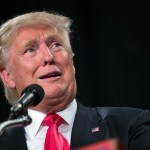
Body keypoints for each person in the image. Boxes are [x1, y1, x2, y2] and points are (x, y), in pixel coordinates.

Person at [0, 11, 150, 150]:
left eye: (56, 45)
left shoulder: (130, 125)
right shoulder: (3, 140)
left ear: (72, 63)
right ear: (8, 77)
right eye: (30, 50)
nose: (48, 57)